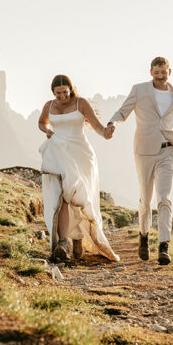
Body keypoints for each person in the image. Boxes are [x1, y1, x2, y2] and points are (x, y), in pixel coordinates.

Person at [105, 56, 173, 265]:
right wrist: (113, 122)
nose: (160, 76)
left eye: (164, 73)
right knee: (146, 199)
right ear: (151, 72)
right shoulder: (139, 90)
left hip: (168, 151)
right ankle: (143, 235)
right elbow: (124, 110)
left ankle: (164, 246)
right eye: (157, 73)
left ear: (170, 72)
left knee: (164, 197)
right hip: (143, 151)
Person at [38, 74, 119, 264]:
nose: (62, 97)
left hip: (81, 155)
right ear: (53, 93)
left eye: (65, 92)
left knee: (80, 197)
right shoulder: (49, 106)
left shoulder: (81, 103)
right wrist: (46, 130)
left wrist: (106, 133)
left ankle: (78, 238)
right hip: (58, 154)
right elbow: (42, 122)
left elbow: (97, 126)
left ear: (70, 89)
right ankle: (63, 242)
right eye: (58, 94)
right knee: (63, 196)